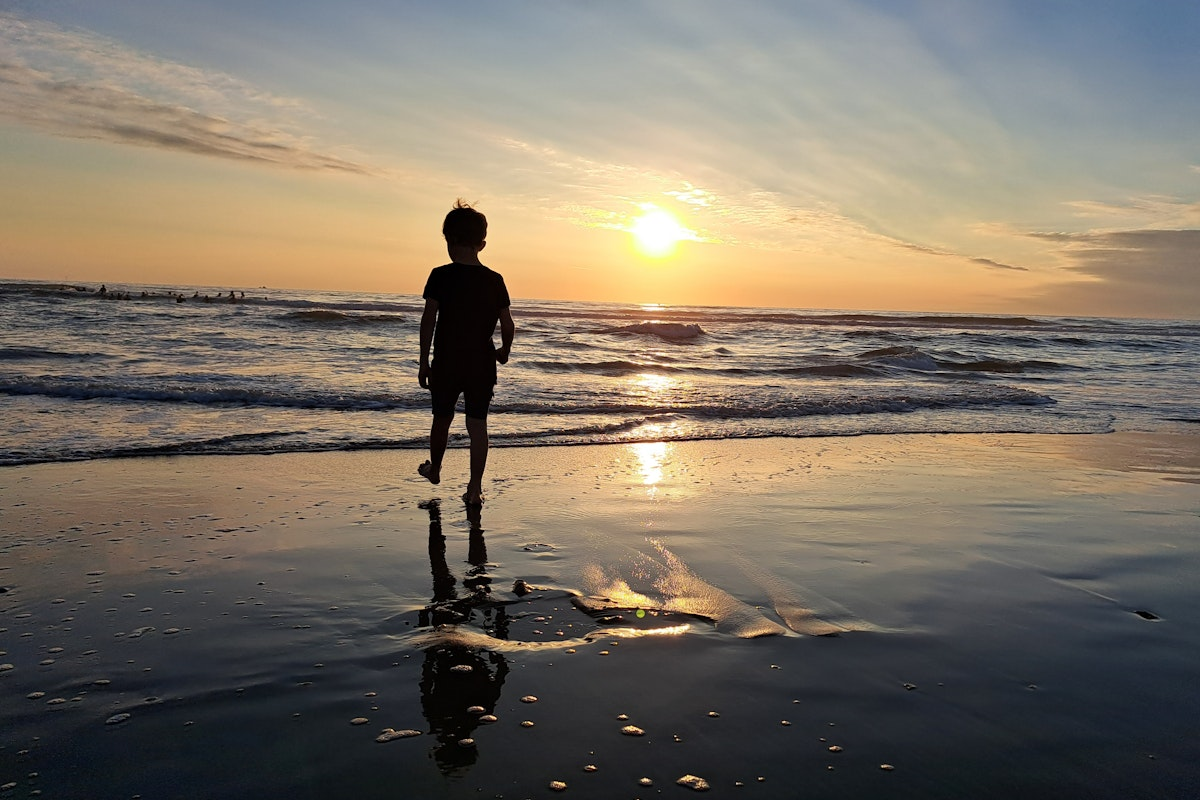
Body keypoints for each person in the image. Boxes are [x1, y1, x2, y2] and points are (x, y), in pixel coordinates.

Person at [418, 200, 514, 506]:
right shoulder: (495, 280)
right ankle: (474, 488)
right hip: (481, 363)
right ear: (482, 244)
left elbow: (428, 320)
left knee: (442, 419)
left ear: (450, 240)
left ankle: (435, 469)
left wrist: (423, 361)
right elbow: (508, 324)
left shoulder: (440, 276)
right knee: (477, 425)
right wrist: (503, 351)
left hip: (446, 361)